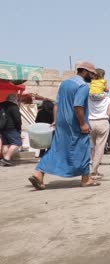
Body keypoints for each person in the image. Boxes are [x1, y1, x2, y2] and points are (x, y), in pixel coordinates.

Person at [28, 61, 100, 190]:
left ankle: (38, 173)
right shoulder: (83, 86)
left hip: (61, 122)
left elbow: (56, 104)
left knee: (56, 148)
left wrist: (56, 120)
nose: (93, 77)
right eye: (92, 74)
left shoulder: (65, 83)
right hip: (75, 123)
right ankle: (86, 179)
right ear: (84, 72)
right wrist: (83, 124)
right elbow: (78, 106)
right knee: (83, 148)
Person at [0, 94, 22, 166]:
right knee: (17, 143)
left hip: (2, 127)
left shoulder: (1, 105)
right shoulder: (13, 106)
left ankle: (4, 160)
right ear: (14, 99)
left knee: (5, 144)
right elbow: (17, 119)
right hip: (12, 128)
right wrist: (19, 128)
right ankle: (6, 158)